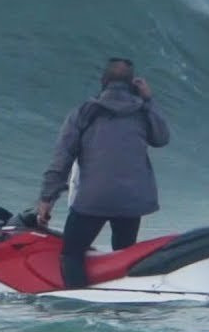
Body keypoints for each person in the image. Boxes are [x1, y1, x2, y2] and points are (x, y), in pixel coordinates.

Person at [37, 57, 171, 289]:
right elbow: (162, 138)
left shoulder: (85, 112)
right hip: (131, 200)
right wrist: (149, 99)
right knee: (124, 254)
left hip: (93, 199)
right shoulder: (142, 111)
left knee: (72, 254)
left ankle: (79, 298)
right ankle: (123, 298)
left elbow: (63, 158)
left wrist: (47, 198)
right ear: (132, 83)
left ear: (104, 80)